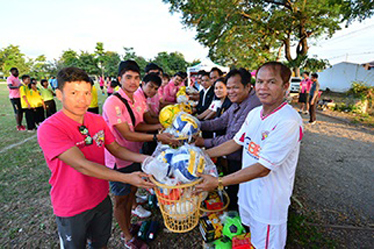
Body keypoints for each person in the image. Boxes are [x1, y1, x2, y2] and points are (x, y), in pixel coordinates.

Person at [37, 67, 153, 249]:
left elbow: (116, 148)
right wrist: (126, 177)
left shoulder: (97, 120)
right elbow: (82, 165)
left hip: (100, 198)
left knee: (100, 244)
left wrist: (145, 159)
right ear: (59, 94)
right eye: (74, 93)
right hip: (72, 205)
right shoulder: (50, 128)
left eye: (86, 93)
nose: (82, 99)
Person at [196, 62, 303, 249]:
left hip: (267, 205)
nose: (263, 87)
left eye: (271, 82)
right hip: (248, 195)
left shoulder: (288, 121)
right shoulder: (254, 114)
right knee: (250, 240)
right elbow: (234, 143)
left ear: (285, 86)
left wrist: (218, 183)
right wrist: (200, 155)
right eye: (260, 81)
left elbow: (262, 169)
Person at [102, 60, 178, 249]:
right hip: (119, 159)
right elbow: (126, 133)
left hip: (134, 153)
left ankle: (129, 224)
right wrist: (156, 136)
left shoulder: (135, 99)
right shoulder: (113, 102)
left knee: (132, 193)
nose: (133, 82)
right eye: (128, 77)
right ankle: (127, 236)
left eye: (136, 78)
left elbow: (138, 125)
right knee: (121, 200)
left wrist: (160, 127)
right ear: (119, 79)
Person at [194, 68, 261, 210]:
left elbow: (233, 138)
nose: (230, 91)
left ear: (248, 86)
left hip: (244, 158)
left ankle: (235, 217)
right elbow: (221, 121)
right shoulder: (238, 101)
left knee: (239, 191)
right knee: (232, 187)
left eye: (235, 87)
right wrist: (195, 124)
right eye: (228, 88)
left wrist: (204, 143)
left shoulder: (253, 105)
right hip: (232, 154)